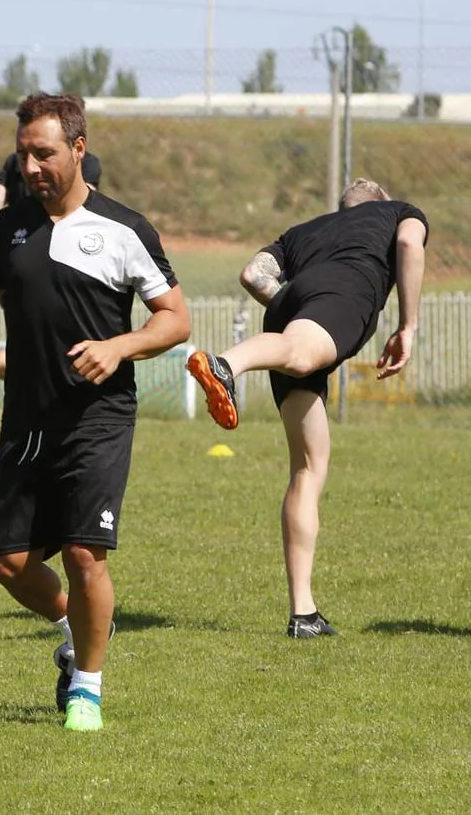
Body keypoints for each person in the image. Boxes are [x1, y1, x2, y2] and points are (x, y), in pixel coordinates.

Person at [0, 93, 190, 730]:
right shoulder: (13, 224)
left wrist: (119, 346)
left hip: (97, 417)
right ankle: (81, 629)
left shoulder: (125, 229)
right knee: (10, 564)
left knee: (83, 551)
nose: (31, 166)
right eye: (22, 155)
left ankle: (87, 690)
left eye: (43, 153)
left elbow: (176, 320)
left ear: (77, 148)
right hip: (27, 417)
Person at [186, 178, 428, 639]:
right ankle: (226, 365)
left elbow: (253, 275)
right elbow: (409, 247)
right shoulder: (399, 212)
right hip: (342, 291)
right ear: (381, 202)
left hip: (287, 304)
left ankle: (305, 614)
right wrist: (408, 327)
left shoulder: (302, 231)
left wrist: (296, 304)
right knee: (300, 354)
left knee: (309, 466)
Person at [0, 151, 104, 402]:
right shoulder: (86, 161)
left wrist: (4, 253)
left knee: (29, 347)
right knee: (59, 352)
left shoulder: (13, 160)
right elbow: (82, 208)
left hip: (13, 267)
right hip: (57, 267)